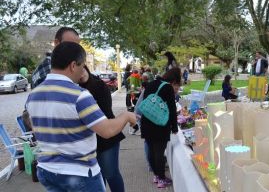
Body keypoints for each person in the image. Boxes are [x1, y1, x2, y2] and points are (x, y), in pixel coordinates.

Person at [25, 42, 136, 191]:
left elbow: (34, 127)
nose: (83, 70)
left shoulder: (33, 95)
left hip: (47, 170)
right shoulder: (79, 95)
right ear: (73, 66)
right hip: (79, 174)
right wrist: (126, 116)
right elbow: (106, 131)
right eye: (82, 65)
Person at [79, 66, 126, 192]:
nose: (81, 74)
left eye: (82, 70)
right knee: (98, 176)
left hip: (106, 138)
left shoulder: (99, 85)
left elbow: (106, 113)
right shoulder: (74, 88)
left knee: (111, 173)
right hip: (87, 140)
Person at [140, 68, 180, 188]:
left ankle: (157, 176)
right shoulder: (167, 87)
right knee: (159, 152)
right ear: (173, 80)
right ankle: (161, 178)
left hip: (147, 122)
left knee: (152, 151)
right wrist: (174, 127)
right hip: (159, 125)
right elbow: (172, 109)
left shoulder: (151, 84)